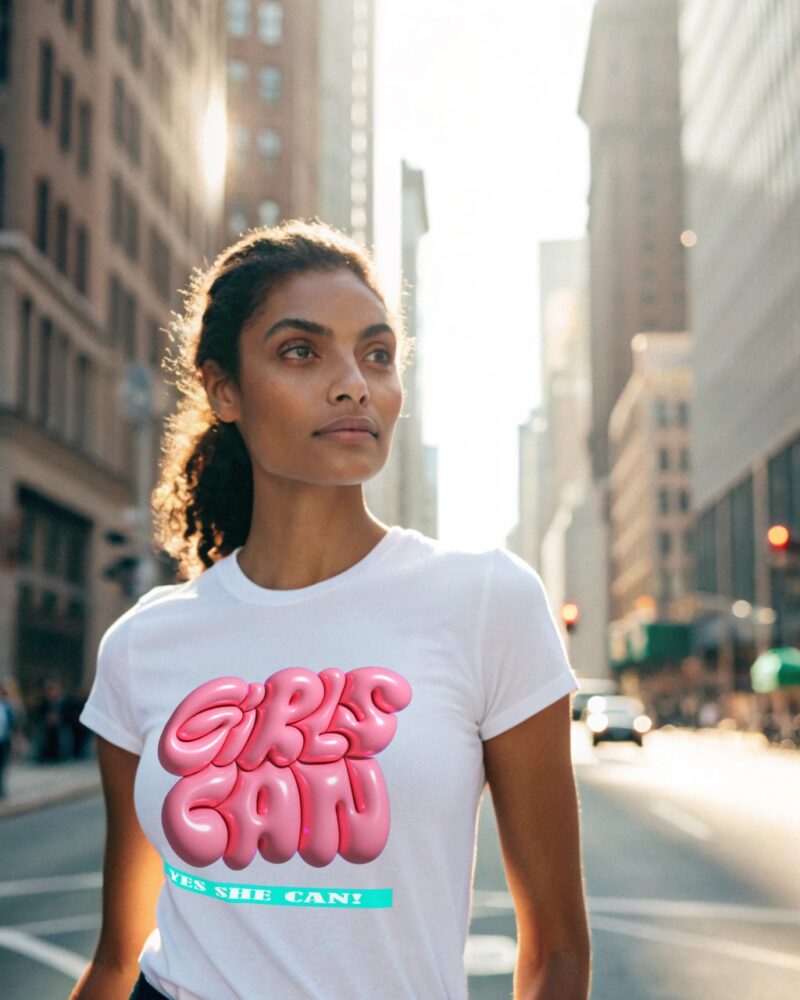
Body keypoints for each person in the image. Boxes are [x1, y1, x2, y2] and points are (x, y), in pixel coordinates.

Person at [70, 221, 591, 1000]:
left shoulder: (486, 601)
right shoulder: (143, 643)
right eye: (301, 352)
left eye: (376, 355)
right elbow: (117, 956)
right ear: (223, 390)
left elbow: (554, 950)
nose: (354, 383)